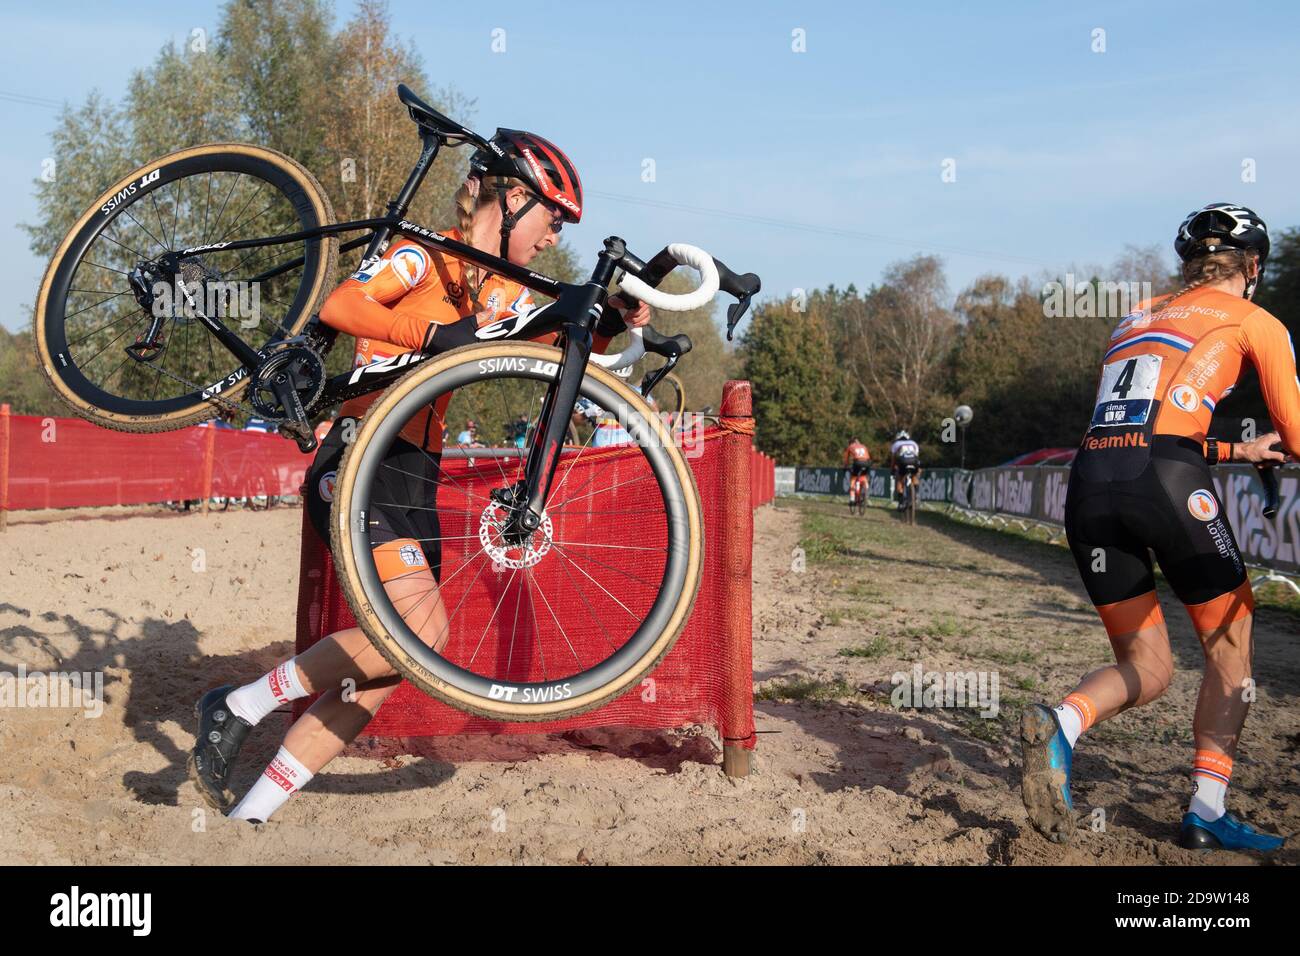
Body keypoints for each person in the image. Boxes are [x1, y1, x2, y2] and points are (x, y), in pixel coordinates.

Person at [189, 127, 650, 823]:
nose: (556, 235)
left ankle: (250, 814)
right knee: (420, 641)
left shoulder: (494, 287)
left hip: (416, 479)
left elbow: (547, 338)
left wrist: (611, 321)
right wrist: (434, 337)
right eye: (553, 217)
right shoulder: (427, 256)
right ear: (513, 198)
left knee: (396, 663)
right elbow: (343, 307)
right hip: (361, 457)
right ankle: (240, 704)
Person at [1021, 203, 1293, 851]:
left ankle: (1062, 722)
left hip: (1091, 484)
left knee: (1148, 664)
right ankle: (1206, 807)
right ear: (1253, 267)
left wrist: (1238, 452)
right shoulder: (1256, 319)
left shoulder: (1137, 316)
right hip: (1167, 480)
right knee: (1231, 652)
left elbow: (1139, 428)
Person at [888, 430, 920, 509]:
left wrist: (892, 470)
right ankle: (916, 494)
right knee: (914, 476)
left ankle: (901, 502)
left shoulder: (896, 444)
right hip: (914, 461)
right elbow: (917, 457)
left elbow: (893, 459)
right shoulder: (914, 443)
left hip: (903, 461)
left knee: (900, 480)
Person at [843, 437, 871, 504]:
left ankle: (852, 499)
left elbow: (846, 459)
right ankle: (866, 487)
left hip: (857, 462)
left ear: (850, 443)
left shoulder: (850, 446)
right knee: (863, 476)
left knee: (853, 478)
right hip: (867, 463)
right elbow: (868, 457)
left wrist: (845, 467)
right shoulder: (863, 446)